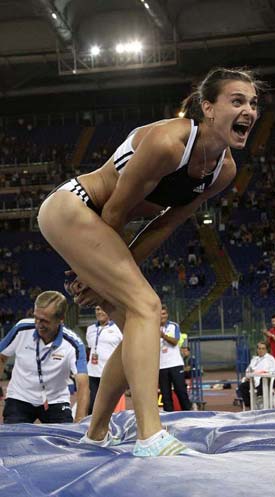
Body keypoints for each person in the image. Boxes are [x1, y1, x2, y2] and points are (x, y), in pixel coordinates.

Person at [38, 67, 263, 456]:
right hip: (75, 208)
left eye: (254, 103)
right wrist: (91, 274)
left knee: (139, 333)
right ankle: (149, 435)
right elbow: (115, 211)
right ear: (208, 108)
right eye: (237, 101)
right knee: (148, 307)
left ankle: (97, 430)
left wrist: (101, 275)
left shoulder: (223, 171)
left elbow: (165, 224)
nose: (249, 111)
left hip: (100, 225)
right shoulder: (167, 142)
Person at [0, 291, 89, 424]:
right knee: (12, 441)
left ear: (60, 320)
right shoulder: (21, 329)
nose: (38, 324)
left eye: (44, 321)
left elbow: (83, 384)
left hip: (55, 400)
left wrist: (80, 422)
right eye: (36, 317)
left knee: (64, 442)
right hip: (20, 397)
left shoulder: (73, 344)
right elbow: (1, 356)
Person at [86, 305, 123, 414]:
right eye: (97, 309)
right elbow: (90, 348)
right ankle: (91, 429)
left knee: (109, 406)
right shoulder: (90, 329)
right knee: (92, 405)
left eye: (103, 309)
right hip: (92, 373)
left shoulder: (118, 329)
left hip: (110, 373)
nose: (100, 312)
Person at [159, 305, 191, 411]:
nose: (162, 316)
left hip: (175, 364)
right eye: (159, 314)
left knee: (181, 390)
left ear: (167, 315)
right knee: (165, 394)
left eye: (163, 314)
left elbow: (175, 341)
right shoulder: (152, 327)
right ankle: (169, 419)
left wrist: (163, 336)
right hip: (161, 366)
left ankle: (188, 415)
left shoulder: (174, 326)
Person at [237, 341, 275, 408]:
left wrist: (257, 374)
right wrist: (248, 377)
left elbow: (272, 370)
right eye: (259, 348)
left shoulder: (270, 359)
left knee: (263, 380)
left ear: (266, 350)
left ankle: (261, 400)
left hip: (265, 380)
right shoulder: (254, 359)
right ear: (257, 350)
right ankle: (250, 405)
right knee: (242, 386)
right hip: (253, 381)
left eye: (263, 348)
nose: (261, 350)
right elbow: (248, 370)